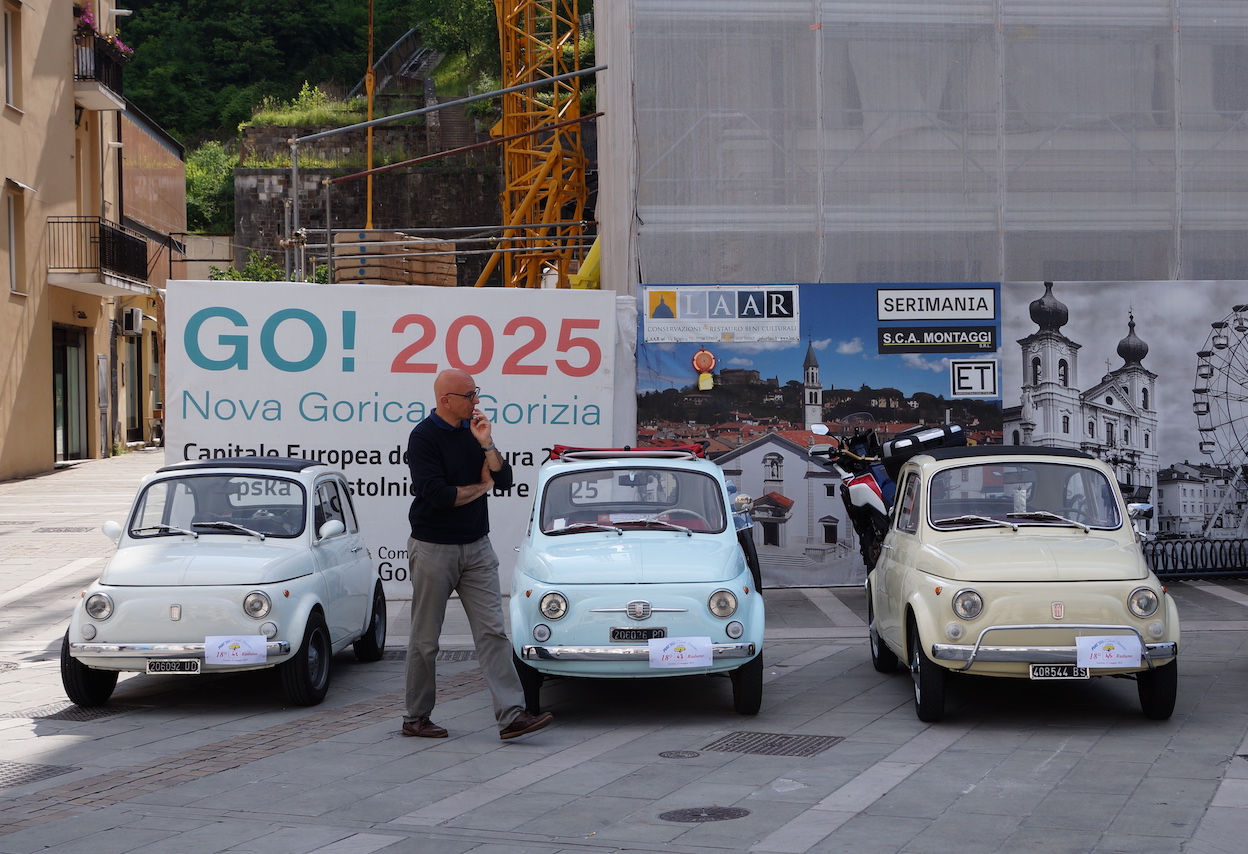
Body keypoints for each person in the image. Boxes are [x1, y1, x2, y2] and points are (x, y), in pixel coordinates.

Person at [401, 369, 553, 740]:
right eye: (469, 395)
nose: (477, 402)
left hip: (477, 547)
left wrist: (486, 444)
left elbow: (504, 480)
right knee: (425, 639)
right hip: (434, 547)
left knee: (493, 633)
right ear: (446, 400)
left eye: (476, 394)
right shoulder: (423, 437)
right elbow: (438, 496)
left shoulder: (475, 430)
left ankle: (512, 715)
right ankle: (416, 717)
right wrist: (481, 486)